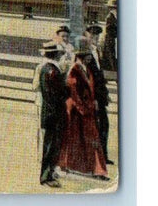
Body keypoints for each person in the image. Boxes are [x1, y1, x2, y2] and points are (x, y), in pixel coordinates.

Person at [58, 38, 108, 179]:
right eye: (87, 56)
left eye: (89, 56)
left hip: (87, 109)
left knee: (91, 139)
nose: (89, 59)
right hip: (76, 111)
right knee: (75, 139)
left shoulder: (86, 69)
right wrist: (83, 109)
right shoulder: (74, 70)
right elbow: (74, 92)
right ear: (81, 57)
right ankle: (68, 165)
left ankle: (97, 170)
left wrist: (92, 103)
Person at [35, 40, 68, 187]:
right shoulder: (52, 71)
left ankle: (49, 173)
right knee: (51, 146)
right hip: (54, 113)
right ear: (55, 55)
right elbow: (59, 93)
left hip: (50, 112)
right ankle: (46, 176)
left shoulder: (47, 68)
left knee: (52, 145)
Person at [83, 24, 113, 164]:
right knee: (95, 127)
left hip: (100, 95)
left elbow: (100, 76)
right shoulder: (85, 53)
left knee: (104, 125)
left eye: (97, 36)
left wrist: (105, 93)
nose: (94, 38)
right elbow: (88, 78)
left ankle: (103, 156)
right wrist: (93, 98)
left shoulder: (97, 51)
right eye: (92, 35)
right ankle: (95, 158)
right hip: (92, 96)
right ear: (86, 35)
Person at [101, 0, 118, 71]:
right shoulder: (110, 17)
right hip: (111, 40)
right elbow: (109, 30)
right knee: (110, 56)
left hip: (115, 39)